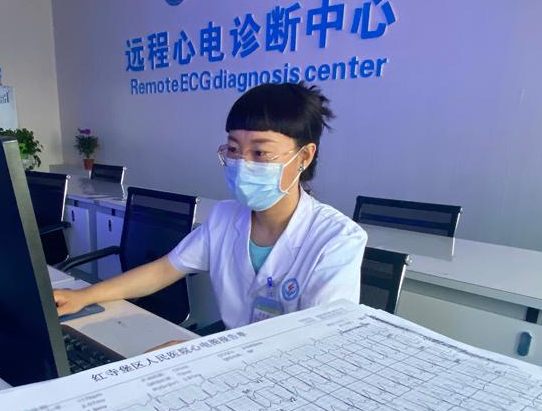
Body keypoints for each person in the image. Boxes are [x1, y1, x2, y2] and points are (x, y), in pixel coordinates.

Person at [54, 82, 367, 329]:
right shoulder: (224, 217)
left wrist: (199, 354)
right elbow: (164, 270)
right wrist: (84, 296)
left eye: (260, 153)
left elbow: (320, 340)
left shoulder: (337, 239)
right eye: (233, 149)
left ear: (304, 156)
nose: (242, 163)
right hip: (231, 362)